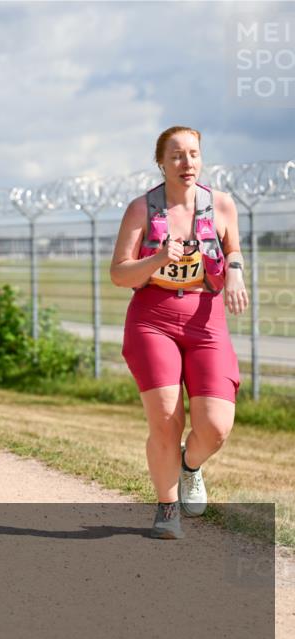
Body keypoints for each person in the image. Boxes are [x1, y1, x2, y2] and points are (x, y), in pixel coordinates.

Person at [110, 126, 248, 539]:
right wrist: (155, 259)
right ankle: (167, 509)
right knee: (167, 419)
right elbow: (119, 273)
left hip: (205, 320)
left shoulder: (220, 205)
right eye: (176, 156)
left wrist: (236, 274)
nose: (186, 163)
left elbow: (234, 249)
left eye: (193, 154)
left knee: (216, 425)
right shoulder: (141, 209)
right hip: (152, 319)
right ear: (161, 162)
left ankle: (189, 465)